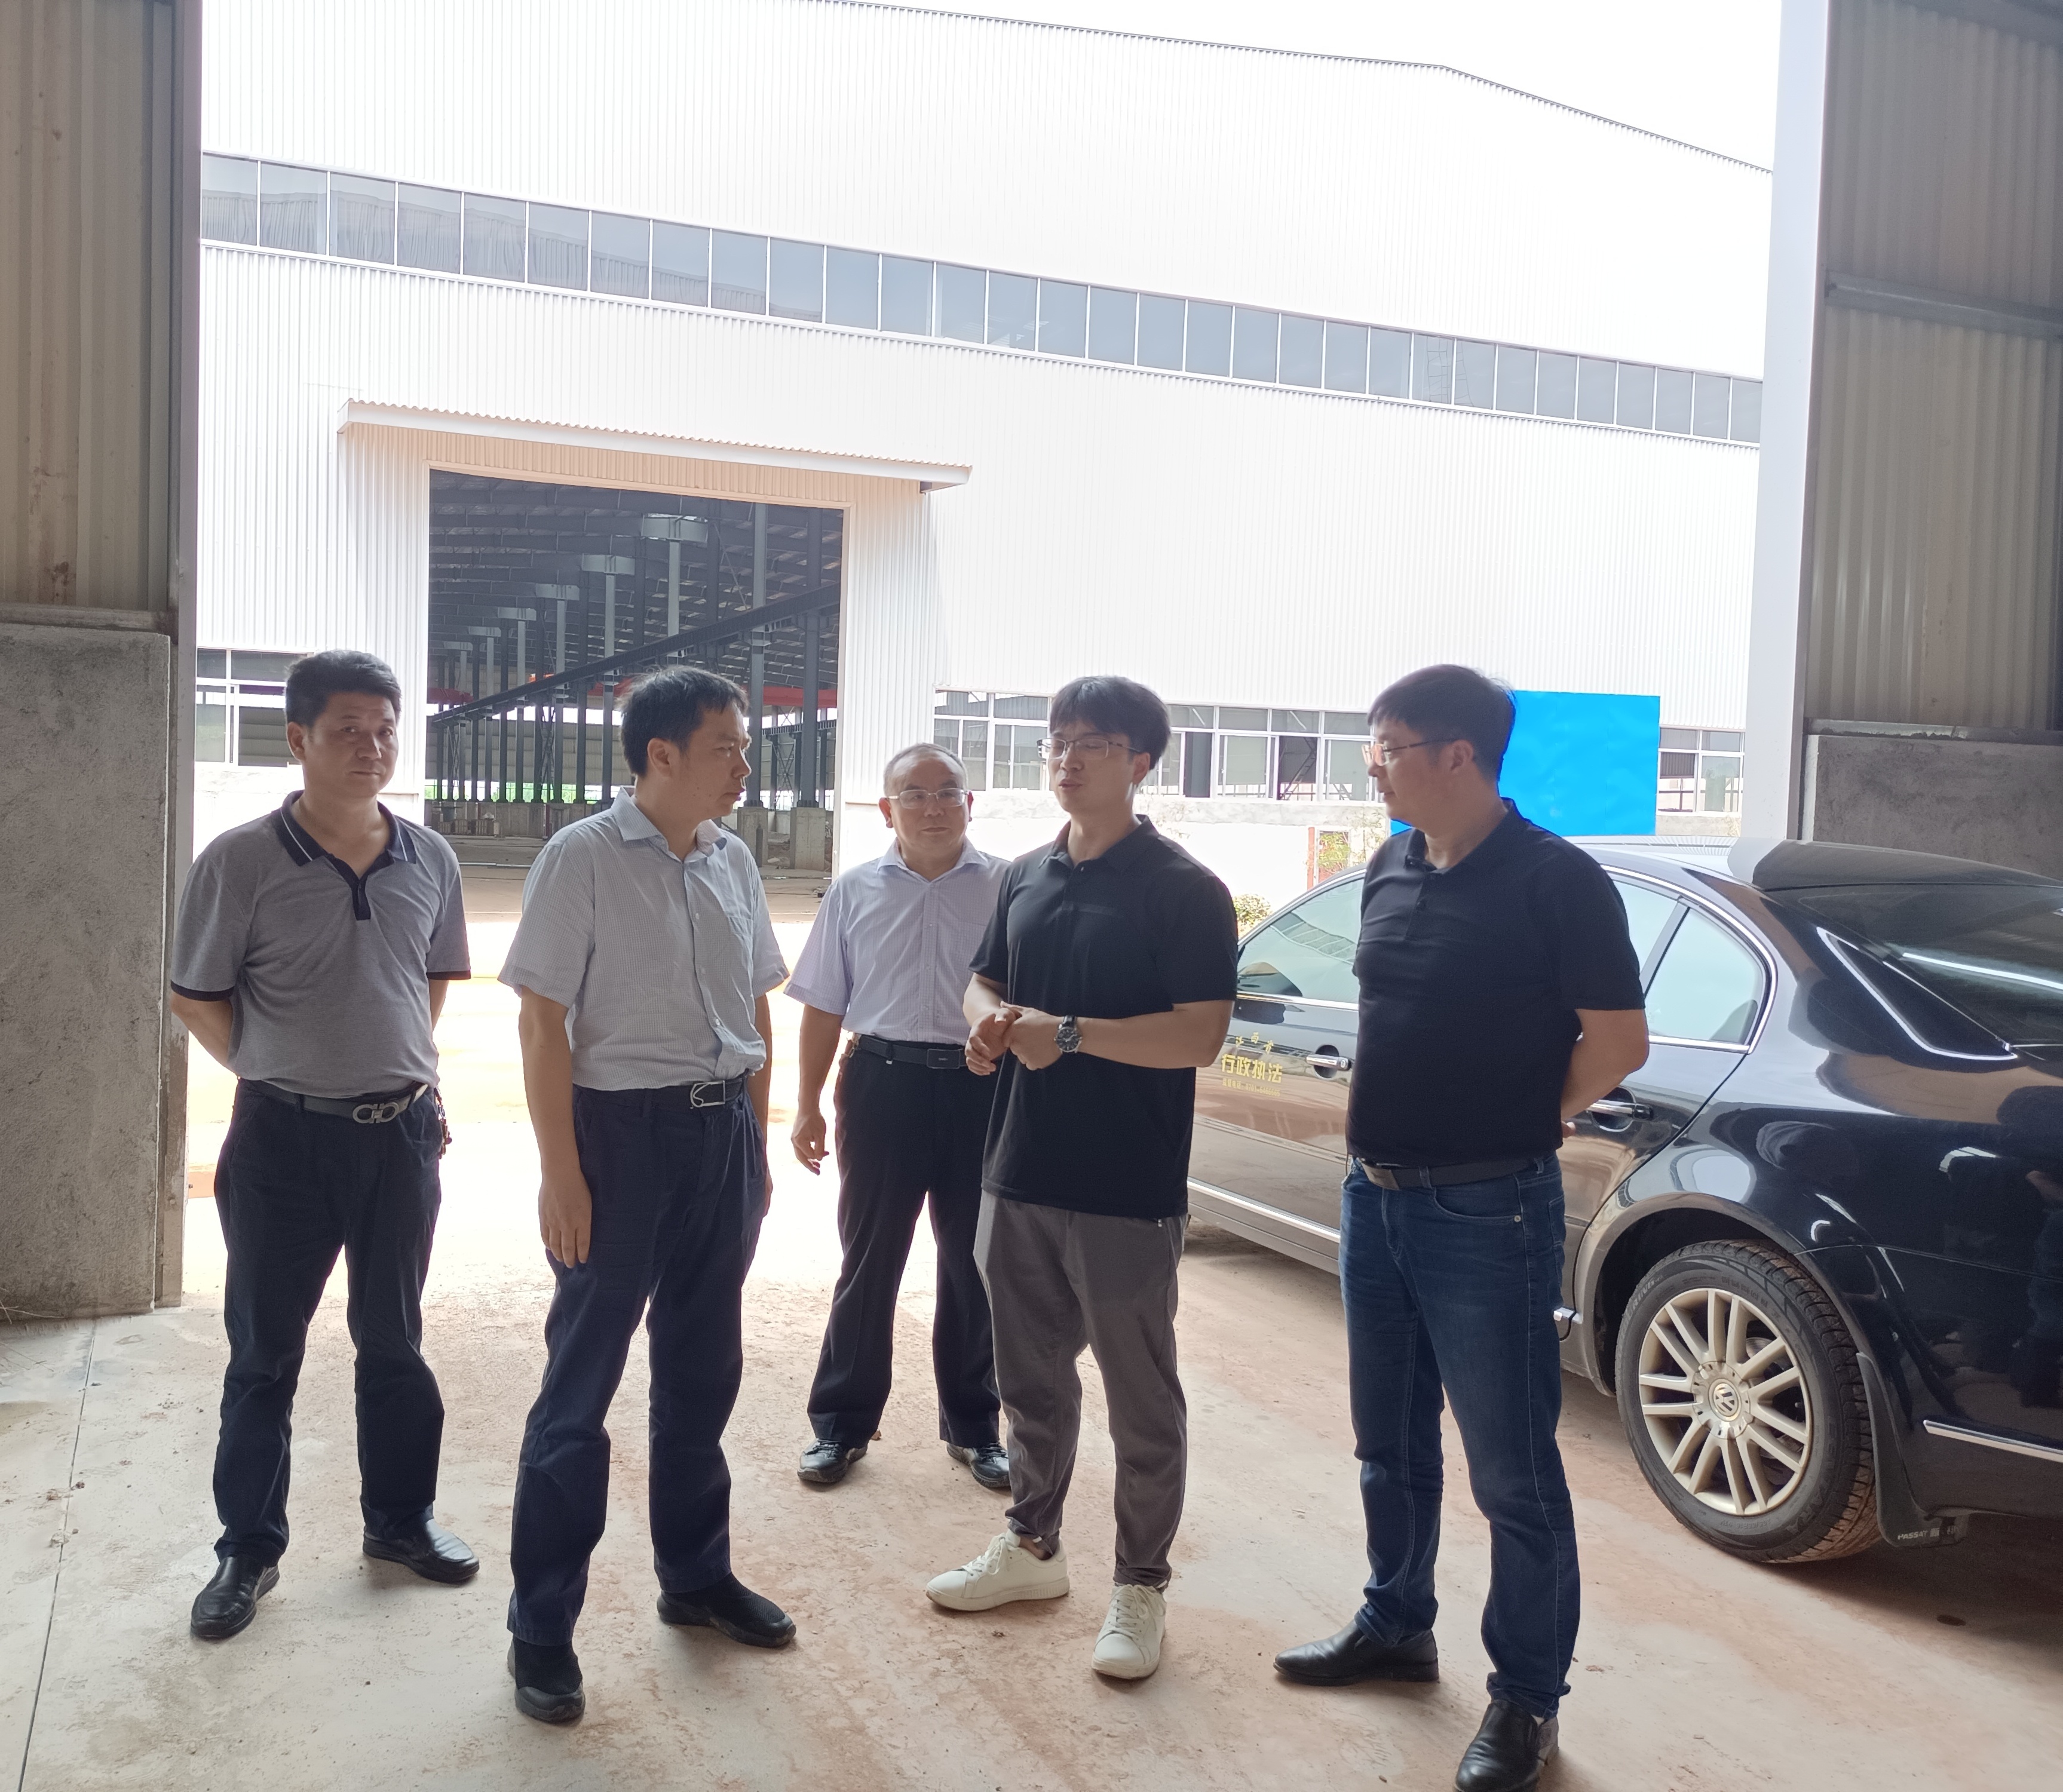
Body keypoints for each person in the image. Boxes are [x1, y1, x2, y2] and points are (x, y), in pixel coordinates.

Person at [1273, 665, 1648, 1792]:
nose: (1372, 767)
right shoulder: (1389, 865)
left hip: (1486, 1208)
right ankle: (1396, 1622)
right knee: (1387, 1442)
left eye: (1386, 748)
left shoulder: (1556, 880)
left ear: (1456, 754)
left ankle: (1526, 1699)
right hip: (1373, 1195)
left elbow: (1617, 1042)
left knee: (1511, 1473)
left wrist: (1518, 1116)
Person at [923, 676, 1236, 1683]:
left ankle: (1139, 1585)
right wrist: (986, 1020)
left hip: (1125, 1186)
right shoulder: (1025, 876)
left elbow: (1198, 1035)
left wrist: (1065, 1035)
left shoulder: (1183, 890)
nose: (1065, 759)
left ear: (1140, 762)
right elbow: (987, 980)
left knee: (1140, 1398)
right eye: (1056, 741)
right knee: (1028, 1380)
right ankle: (1032, 1545)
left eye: (1091, 743)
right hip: (1017, 1169)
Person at [499, 667, 792, 1726]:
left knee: (702, 1373)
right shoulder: (580, 857)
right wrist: (561, 1173)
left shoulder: (730, 858)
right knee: (580, 1391)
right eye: (726, 747)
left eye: (744, 746)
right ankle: (541, 1628)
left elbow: (754, 1003)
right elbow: (541, 1024)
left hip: (721, 1137)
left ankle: (696, 1576)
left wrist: (755, 1143)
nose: (744, 765)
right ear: (660, 755)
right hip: (620, 1142)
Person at [169, 649, 478, 1642]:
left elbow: (432, 982)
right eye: (348, 729)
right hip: (282, 1143)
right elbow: (196, 996)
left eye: (385, 730)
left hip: (401, 1139)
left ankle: (399, 1522)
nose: (370, 747)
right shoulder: (240, 861)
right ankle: (247, 1550)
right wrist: (278, 1066)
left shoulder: (431, 859)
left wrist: (393, 1067)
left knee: (394, 1342)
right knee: (265, 1354)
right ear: (297, 738)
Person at [784, 744, 1010, 1491]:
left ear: (969, 803)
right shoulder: (854, 890)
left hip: (981, 1090)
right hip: (881, 1086)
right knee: (870, 1258)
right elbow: (824, 1004)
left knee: (975, 1263)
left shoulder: (1007, 887)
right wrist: (807, 1105)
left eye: (949, 792)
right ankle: (841, 1426)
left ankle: (975, 1428)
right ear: (887, 810)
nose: (934, 807)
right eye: (915, 794)